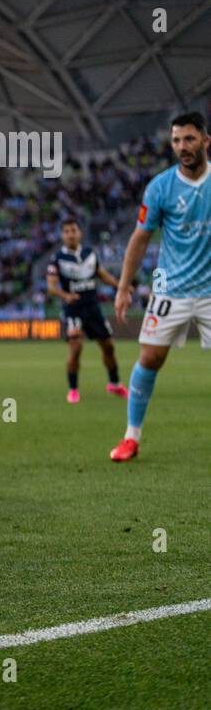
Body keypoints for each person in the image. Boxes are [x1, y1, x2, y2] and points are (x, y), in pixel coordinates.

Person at [109, 111, 211, 462]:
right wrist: (124, 286)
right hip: (171, 288)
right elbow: (140, 239)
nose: (182, 147)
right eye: (177, 141)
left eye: (189, 139)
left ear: (205, 141)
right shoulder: (160, 187)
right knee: (149, 357)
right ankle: (131, 437)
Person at [45, 217, 126, 403]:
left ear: (80, 233)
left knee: (108, 346)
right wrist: (65, 296)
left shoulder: (90, 254)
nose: (70, 234)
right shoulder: (57, 259)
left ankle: (114, 384)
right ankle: (73, 390)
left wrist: (120, 285)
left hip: (93, 308)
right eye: (66, 231)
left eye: (73, 230)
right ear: (62, 236)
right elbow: (51, 286)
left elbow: (101, 274)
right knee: (76, 347)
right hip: (73, 309)